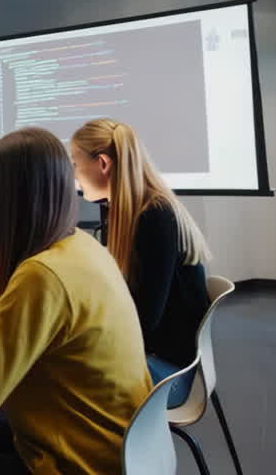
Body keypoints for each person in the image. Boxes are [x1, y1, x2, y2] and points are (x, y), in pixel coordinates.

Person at [0, 128, 151, 475]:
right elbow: (10, 345)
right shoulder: (81, 247)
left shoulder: (41, 276)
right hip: (121, 452)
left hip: (73, 463)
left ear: (12, 199)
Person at [70, 118, 213, 407]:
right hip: (155, 357)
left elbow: (143, 321)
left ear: (103, 164)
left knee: (52, 367)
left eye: (75, 163)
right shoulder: (135, 212)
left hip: (166, 375)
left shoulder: (153, 217)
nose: (74, 174)